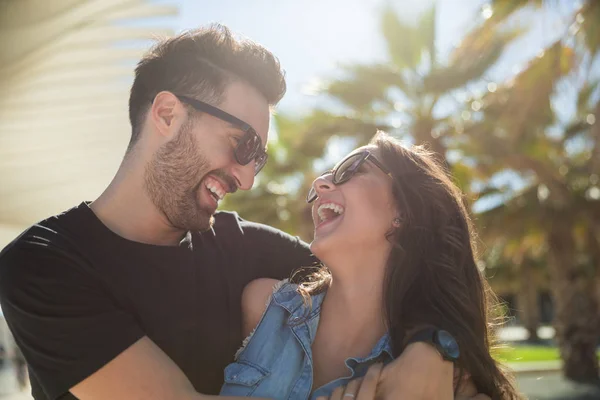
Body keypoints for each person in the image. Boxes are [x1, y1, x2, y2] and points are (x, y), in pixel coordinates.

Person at [0, 25, 489, 400]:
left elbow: (393, 278)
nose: (247, 177)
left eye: (260, 157)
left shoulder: (254, 252)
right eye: (242, 143)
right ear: (168, 114)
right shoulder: (43, 265)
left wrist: (429, 349)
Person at [220, 132, 522, 399]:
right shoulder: (264, 307)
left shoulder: (445, 383)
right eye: (326, 176)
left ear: (406, 210)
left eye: (352, 169)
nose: (319, 183)